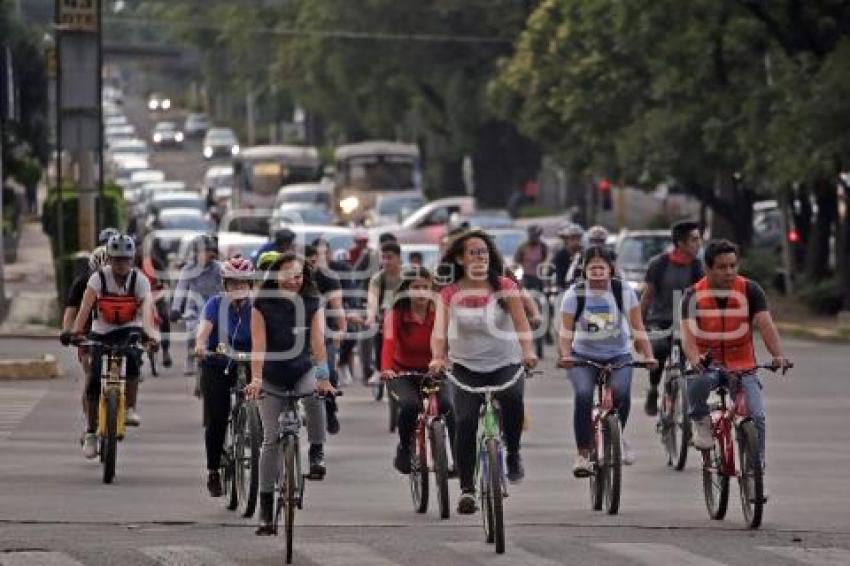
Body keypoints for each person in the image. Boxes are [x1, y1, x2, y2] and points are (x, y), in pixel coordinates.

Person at [429, 229, 538, 515]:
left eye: (484, 252)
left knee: (513, 399)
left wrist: (528, 352)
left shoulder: (505, 286)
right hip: (465, 366)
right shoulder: (449, 293)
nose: (479, 257)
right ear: (460, 259)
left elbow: (521, 324)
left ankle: (512, 453)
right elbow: (439, 331)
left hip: (506, 362)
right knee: (464, 421)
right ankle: (467, 489)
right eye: (473, 252)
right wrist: (437, 358)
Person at [681, 240, 791, 468]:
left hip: (742, 363)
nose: (729, 272)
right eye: (722, 267)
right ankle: (701, 421)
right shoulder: (692, 295)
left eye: (733, 265)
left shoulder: (750, 290)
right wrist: (694, 359)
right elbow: (688, 336)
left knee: (757, 416)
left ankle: (755, 468)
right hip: (707, 362)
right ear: (708, 268)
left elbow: (766, 325)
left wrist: (778, 354)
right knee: (697, 382)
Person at [247, 252, 335, 535]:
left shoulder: (312, 302)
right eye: (287, 276)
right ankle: (265, 511)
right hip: (271, 376)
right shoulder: (261, 304)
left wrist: (323, 378)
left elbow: (318, 342)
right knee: (270, 440)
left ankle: (317, 451)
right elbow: (258, 345)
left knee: (314, 396)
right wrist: (256, 379)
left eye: (298, 276)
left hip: (301, 370)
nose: (293, 282)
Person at [558, 246, 657, 477]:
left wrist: (649, 355)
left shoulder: (623, 291)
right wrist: (565, 354)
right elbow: (565, 331)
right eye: (592, 267)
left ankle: (617, 436)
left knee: (621, 392)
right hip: (583, 356)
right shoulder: (575, 294)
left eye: (602, 267)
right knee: (583, 394)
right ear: (584, 270)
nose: (598, 271)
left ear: (610, 269)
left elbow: (637, 326)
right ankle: (583, 453)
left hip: (618, 355)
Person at [68, 235, 160, 457]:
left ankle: (130, 407)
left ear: (132, 259)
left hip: (129, 327)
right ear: (109, 259)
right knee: (94, 380)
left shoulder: (140, 280)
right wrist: (75, 332)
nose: (121, 265)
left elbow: (147, 311)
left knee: (134, 359)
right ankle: (91, 432)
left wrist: (150, 335)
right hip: (101, 330)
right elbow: (85, 308)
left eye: (126, 259)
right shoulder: (98, 279)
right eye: (117, 260)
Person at [194, 257, 255, 497]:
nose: (238, 288)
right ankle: (213, 471)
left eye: (243, 283)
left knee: (262, 402)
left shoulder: (258, 307)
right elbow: (205, 328)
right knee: (217, 417)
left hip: (251, 361)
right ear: (225, 285)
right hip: (218, 362)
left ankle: (256, 437)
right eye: (233, 283)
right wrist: (200, 345)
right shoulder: (215, 303)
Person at [381, 266, 452, 474]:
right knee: (410, 406)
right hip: (402, 373)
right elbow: (388, 343)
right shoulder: (395, 314)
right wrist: (386, 369)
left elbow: (452, 340)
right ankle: (404, 448)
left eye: (425, 287)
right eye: (415, 287)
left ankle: (458, 460)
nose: (421, 292)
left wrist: (449, 361)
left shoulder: (440, 312)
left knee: (449, 406)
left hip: (434, 371)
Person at [640, 220, 703, 415]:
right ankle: (653, 389)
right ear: (681, 243)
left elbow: (703, 298)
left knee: (695, 360)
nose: (698, 243)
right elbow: (647, 296)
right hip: (660, 320)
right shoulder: (659, 264)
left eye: (699, 239)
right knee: (659, 349)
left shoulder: (697, 267)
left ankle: (689, 402)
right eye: (694, 240)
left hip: (687, 321)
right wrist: (639, 326)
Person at [61, 246, 109, 442]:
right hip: (88, 329)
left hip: (112, 329)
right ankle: (90, 423)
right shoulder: (82, 283)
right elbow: (71, 310)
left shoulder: (123, 282)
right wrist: (67, 331)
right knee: (91, 375)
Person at [306, 241, 347, 435]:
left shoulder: (328, 277)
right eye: (305, 262)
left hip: (325, 333)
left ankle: (330, 410)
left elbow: (337, 304)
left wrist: (342, 327)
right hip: (295, 336)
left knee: (329, 372)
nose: (309, 266)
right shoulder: (289, 279)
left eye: (313, 261)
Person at [171, 235, 222, 377]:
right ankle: (190, 358)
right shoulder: (188, 269)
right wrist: (175, 308)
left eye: (208, 251)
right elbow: (181, 289)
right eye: (203, 251)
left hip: (214, 306)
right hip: (194, 307)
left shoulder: (218, 268)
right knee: (192, 331)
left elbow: (226, 288)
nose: (206, 254)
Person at [364, 241, 404, 383]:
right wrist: (370, 316)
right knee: (379, 332)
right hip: (386, 315)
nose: (386, 261)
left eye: (390, 257)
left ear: (399, 258)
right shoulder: (378, 278)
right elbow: (372, 298)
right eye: (384, 257)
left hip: (406, 315)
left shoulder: (408, 276)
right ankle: (378, 368)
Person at [514, 224, 549, 293]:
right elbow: (517, 261)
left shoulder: (542, 247)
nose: (535, 238)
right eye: (533, 235)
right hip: (526, 277)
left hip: (538, 278)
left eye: (537, 236)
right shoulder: (523, 247)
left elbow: (545, 260)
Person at [553, 223, 584, 291]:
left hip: (583, 289)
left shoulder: (585, 254)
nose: (576, 242)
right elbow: (559, 275)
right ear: (566, 240)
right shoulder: (560, 255)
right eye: (572, 239)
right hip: (566, 289)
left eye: (578, 238)